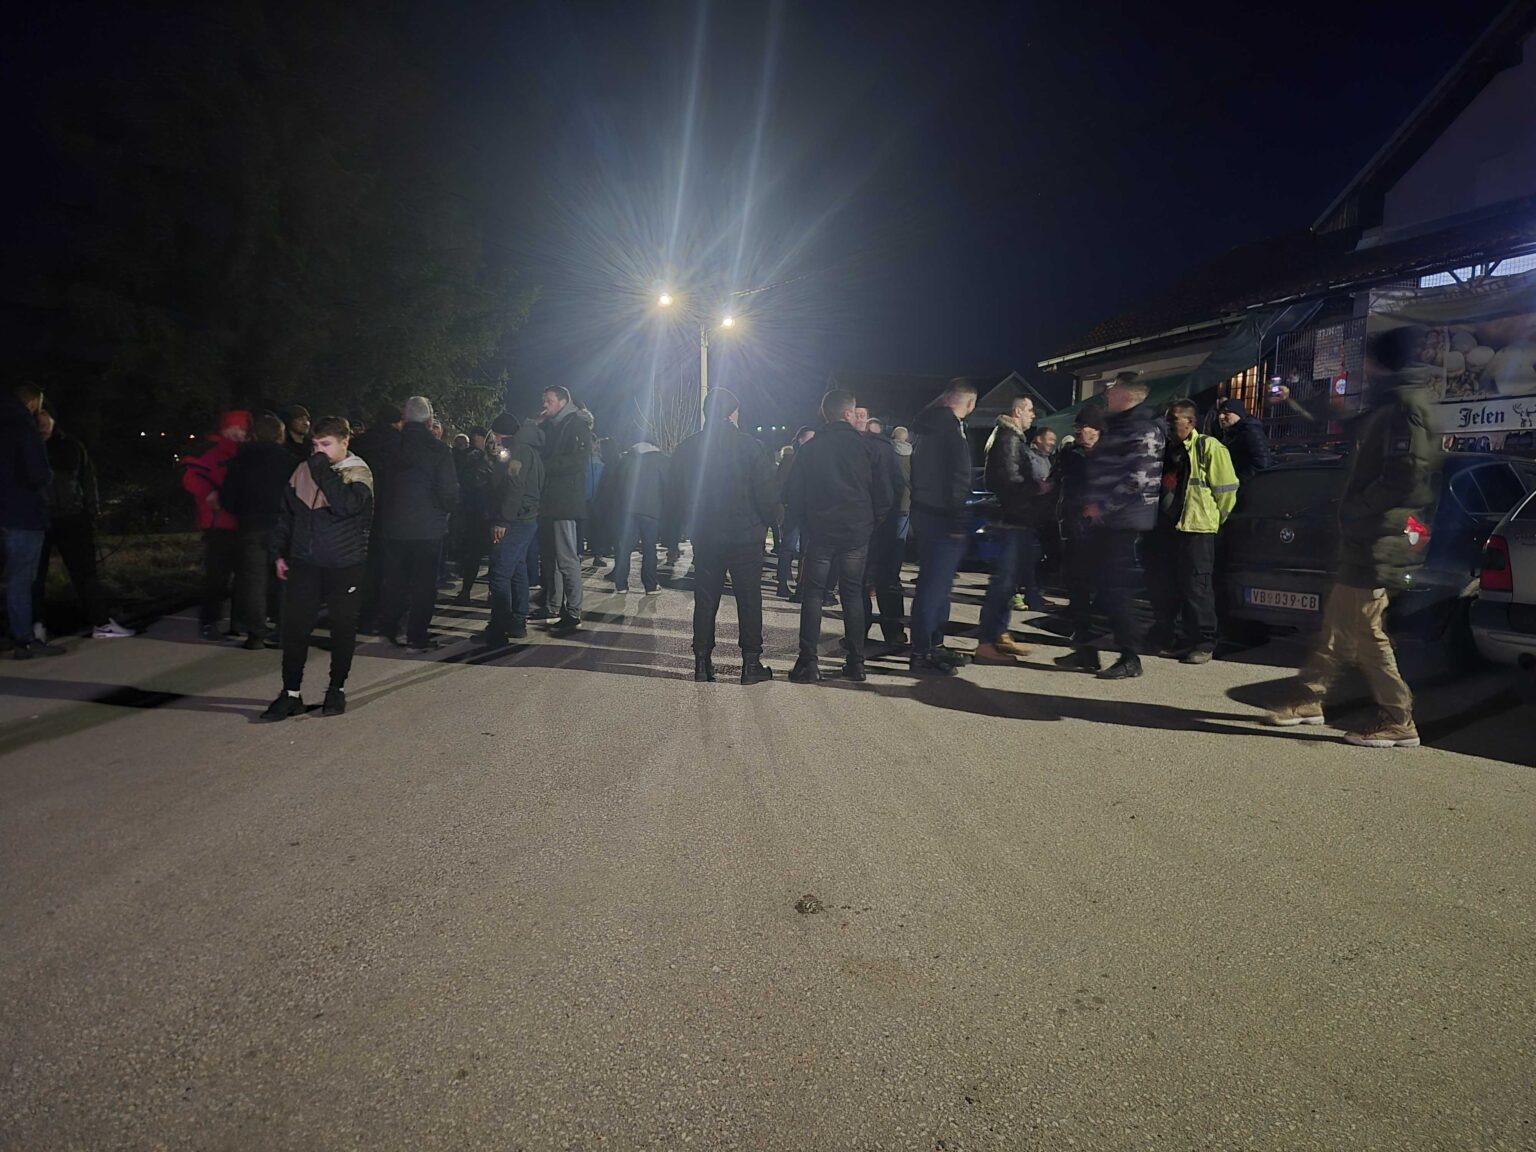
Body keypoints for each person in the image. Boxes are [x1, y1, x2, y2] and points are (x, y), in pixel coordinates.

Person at [1266, 326, 1442, 748]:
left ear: (1383, 361)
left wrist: (1358, 507)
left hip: (1381, 535)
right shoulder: (1388, 399)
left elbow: (1407, 479)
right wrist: (1293, 397)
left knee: (1365, 629)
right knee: (1337, 624)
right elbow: (1344, 423)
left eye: (1368, 357)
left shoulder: (1405, 405)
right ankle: (1310, 698)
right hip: (1365, 535)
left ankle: (1399, 718)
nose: (1363, 364)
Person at [262, 416, 374, 720]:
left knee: (341, 627)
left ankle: (336, 689)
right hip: (305, 561)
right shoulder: (304, 470)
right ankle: (291, 693)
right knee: (295, 628)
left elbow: (345, 506)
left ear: (344, 442)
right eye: (315, 445)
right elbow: (287, 515)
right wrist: (279, 553)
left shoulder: (358, 474)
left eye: (326, 445)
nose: (318, 451)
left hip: (345, 564)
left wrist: (322, 468)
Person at [1056, 373, 1164, 680]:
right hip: (1101, 520)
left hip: (1122, 520)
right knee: (1079, 579)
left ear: (1129, 394)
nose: (1105, 393)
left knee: (1114, 589)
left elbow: (1139, 478)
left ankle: (1130, 657)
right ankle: (1086, 650)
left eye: (1112, 388)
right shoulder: (1118, 424)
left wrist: (1102, 506)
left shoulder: (1143, 427)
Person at [669, 387, 778, 684]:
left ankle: (702, 663)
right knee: (749, 599)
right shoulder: (751, 447)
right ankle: (750, 664)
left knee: (705, 599)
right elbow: (766, 495)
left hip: (706, 536)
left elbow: (676, 494)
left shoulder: (688, 448)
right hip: (745, 537)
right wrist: (769, 524)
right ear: (731, 413)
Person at [784, 389, 892, 683]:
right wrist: (871, 522)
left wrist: (804, 524)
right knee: (852, 593)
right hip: (857, 530)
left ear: (826, 413)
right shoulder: (868, 448)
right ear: (847, 413)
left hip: (820, 530)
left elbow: (793, 494)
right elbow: (884, 494)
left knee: (814, 594)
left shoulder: (810, 449)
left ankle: (808, 662)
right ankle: (856, 663)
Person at [1146, 400, 1239, 664]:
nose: (1168, 424)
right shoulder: (1167, 450)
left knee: (1197, 588)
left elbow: (1227, 491)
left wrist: (1214, 519)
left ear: (1190, 422)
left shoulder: (1208, 447)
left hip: (1197, 530)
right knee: (1172, 586)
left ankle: (1204, 642)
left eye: (1173, 419)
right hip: (1169, 529)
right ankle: (1178, 638)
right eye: (1167, 419)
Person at [31, 409, 132, 641]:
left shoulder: (71, 446)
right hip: (39, 518)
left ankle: (101, 622)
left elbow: (87, 477)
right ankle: (36, 625)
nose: (44, 427)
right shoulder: (28, 445)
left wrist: (91, 510)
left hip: (72, 516)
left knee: (85, 573)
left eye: (47, 422)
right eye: (40, 423)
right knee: (34, 577)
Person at [375, 396, 458, 653]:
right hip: (428, 527)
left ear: (405, 416)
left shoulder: (390, 447)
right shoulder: (439, 450)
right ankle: (416, 636)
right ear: (429, 418)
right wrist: (447, 509)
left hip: (394, 524)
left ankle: (389, 628)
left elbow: (380, 485)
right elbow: (448, 491)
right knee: (424, 585)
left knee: (395, 580)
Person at [907, 379, 980, 676]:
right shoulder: (950, 430)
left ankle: (931, 645)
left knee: (934, 584)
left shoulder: (925, 428)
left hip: (924, 511)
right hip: (943, 515)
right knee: (935, 586)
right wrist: (959, 517)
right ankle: (924, 650)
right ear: (970, 403)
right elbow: (959, 477)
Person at [221, 412, 295, 650]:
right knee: (283, 580)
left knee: (253, 581)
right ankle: (284, 631)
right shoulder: (290, 462)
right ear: (280, 435)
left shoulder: (240, 460)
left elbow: (227, 497)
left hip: (251, 525)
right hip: (282, 526)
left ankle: (256, 634)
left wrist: (241, 512)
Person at [975, 397, 1042, 665]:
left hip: (1014, 519)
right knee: (1003, 582)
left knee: (1008, 580)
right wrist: (1037, 489)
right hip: (1013, 520)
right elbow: (1010, 481)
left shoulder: (1008, 438)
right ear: (1017, 411)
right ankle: (987, 642)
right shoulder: (1009, 439)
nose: (1033, 416)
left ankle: (999, 633)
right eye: (1030, 410)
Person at [2, 383, 64, 658]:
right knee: (22, 579)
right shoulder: (23, 424)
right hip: (23, 512)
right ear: (33, 401)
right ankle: (24, 641)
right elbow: (37, 472)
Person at [182, 409, 251, 641]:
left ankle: (238, 621)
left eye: (241, 430)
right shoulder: (212, 454)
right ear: (224, 430)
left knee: (244, 577)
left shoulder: (246, 453)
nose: (237, 434)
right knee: (216, 578)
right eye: (233, 429)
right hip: (218, 524)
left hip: (242, 524)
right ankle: (210, 621)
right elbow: (191, 477)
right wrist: (209, 493)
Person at [481, 412, 545, 646]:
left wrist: (502, 521)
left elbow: (514, 488)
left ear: (498, 433)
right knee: (517, 569)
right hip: (526, 517)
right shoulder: (530, 450)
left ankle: (499, 627)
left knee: (500, 572)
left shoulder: (517, 452)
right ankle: (517, 622)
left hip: (515, 520)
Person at [533, 385, 592, 633]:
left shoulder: (576, 425)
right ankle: (553, 606)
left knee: (567, 558)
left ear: (563, 401)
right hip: (549, 501)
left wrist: (543, 466)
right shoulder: (550, 425)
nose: (545, 404)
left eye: (549, 400)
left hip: (565, 503)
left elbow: (577, 461)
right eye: (544, 399)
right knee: (550, 558)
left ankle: (573, 610)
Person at [1053, 406, 1106, 652]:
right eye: (1076, 428)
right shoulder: (1070, 455)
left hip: (1103, 528)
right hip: (1074, 525)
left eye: (1081, 427)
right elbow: (1056, 483)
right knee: (1077, 578)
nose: (1077, 432)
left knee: (1104, 578)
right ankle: (1081, 625)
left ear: (1095, 429)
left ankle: (1101, 620)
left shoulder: (1108, 456)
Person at [348, 403, 402, 632]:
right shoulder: (400, 445)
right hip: (392, 511)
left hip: (361, 508)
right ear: (396, 422)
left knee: (363, 564)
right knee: (388, 566)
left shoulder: (361, 443)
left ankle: (361, 614)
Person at [861, 413, 908, 648]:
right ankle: (894, 631)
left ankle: (860, 632)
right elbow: (900, 486)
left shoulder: (858, 449)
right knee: (887, 579)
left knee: (862, 580)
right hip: (885, 522)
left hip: (866, 524)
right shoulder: (888, 450)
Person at [611, 437, 668, 595]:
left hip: (627, 510)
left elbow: (615, 485)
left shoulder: (626, 459)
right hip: (652, 510)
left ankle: (621, 584)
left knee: (625, 548)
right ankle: (650, 585)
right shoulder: (661, 460)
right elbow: (667, 484)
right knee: (649, 548)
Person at [451, 427, 493, 603]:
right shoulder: (475, 458)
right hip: (480, 512)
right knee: (478, 555)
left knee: (479, 555)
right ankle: (469, 591)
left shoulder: (484, 458)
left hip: (480, 512)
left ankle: (470, 591)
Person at [776, 426, 815, 599]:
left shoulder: (813, 459)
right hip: (793, 509)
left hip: (808, 511)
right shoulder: (791, 459)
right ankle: (782, 584)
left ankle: (801, 585)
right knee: (788, 548)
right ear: (799, 440)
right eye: (808, 439)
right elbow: (781, 484)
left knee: (806, 551)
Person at [1217, 399, 1273, 482]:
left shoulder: (1250, 431)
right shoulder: (1229, 433)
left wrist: (1241, 480)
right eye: (1220, 413)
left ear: (1238, 414)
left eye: (1226, 412)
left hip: (1250, 487)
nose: (1221, 417)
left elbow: (1262, 462)